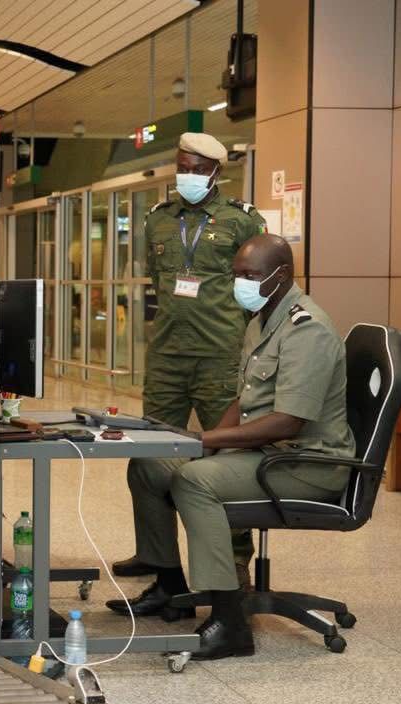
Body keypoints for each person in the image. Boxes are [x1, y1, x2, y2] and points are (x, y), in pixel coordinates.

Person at [106, 234, 355, 660]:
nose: (241, 283)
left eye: (251, 275)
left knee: (193, 479)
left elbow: (286, 420)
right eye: (237, 274)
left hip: (306, 462)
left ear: (281, 275)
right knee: (150, 466)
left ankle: (229, 623)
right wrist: (207, 444)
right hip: (271, 451)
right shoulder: (263, 317)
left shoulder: (305, 329)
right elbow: (245, 402)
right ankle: (170, 585)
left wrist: (205, 442)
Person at [113, 132, 268, 585]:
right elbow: (157, 281)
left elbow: (258, 290)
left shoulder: (241, 221)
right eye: (184, 167)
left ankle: (237, 558)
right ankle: (158, 557)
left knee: (226, 456)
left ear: (218, 171)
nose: (190, 176)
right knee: (150, 457)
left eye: (199, 169)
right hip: (166, 355)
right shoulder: (159, 220)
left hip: (219, 354)